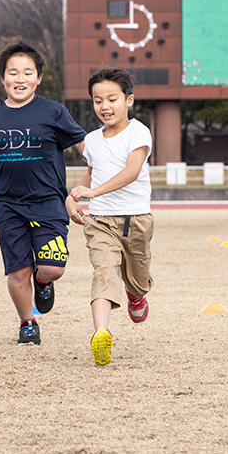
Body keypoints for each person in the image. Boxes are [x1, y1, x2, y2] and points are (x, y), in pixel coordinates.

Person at [0, 40, 86, 346]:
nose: (20, 79)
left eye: (27, 72)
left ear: (38, 78)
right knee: (18, 271)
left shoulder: (54, 111)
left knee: (52, 267)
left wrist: (102, 168)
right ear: (2, 78)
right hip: (8, 204)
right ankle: (27, 322)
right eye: (12, 72)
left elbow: (84, 146)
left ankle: (42, 283)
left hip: (49, 201)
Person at [66, 67, 153, 366]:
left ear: (128, 100)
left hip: (137, 219)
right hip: (100, 220)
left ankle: (136, 295)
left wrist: (93, 192)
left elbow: (131, 171)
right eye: (97, 100)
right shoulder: (91, 140)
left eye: (112, 99)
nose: (104, 106)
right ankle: (101, 333)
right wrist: (75, 194)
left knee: (138, 280)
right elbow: (92, 173)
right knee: (104, 271)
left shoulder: (139, 132)